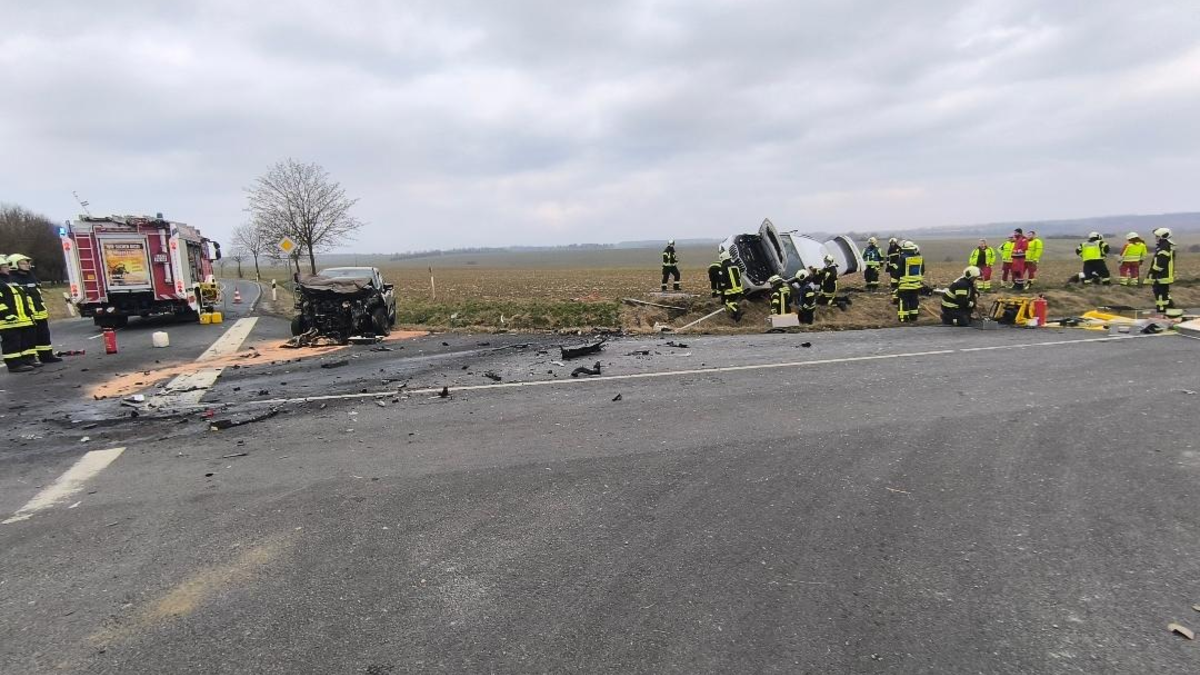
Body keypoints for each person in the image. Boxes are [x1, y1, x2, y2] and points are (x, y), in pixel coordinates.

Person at [7, 254, 62, 363]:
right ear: (13, 265)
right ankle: (30, 358)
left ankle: (46, 355)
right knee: (29, 338)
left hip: (40, 312)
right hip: (27, 314)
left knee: (44, 335)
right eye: (23, 263)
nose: (27, 265)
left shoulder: (32, 276)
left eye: (28, 263)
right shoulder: (12, 279)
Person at [0, 255, 38, 373]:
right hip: (7, 321)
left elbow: (20, 298)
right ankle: (14, 365)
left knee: (22, 342)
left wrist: (28, 312)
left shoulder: (9, 281)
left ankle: (25, 361)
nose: (8, 268)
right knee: (11, 343)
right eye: (5, 267)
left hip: (19, 319)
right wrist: (6, 314)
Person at [1147, 227, 1176, 314]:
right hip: (1163, 275)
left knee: (1160, 294)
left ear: (1163, 236)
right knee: (1163, 293)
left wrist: (1153, 273)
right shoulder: (1164, 246)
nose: (1155, 238)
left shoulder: (1164, 247)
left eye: (1157, 236)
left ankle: (1162, 310)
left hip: (1162, 275)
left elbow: (1160, 264)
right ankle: (1169, 308)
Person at [896, 240, 925, 323]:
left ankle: (903, 318)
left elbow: (898, 272)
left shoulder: (902, 258)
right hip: (916, 285)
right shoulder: (920, 258)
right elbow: (922, 270)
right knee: (914, 300)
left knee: (903, 301)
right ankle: (914, 317)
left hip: (905, 285)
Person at [718, 251, 744, 322]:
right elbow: (739, 275)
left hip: (730, 289)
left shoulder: (724, 266)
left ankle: (738, 312)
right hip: (739, 288)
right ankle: (735, 316)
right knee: (733, 301)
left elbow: (722, 279)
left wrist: (721, 289)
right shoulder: (736, 265)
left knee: (727, 303)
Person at [885, 237, 902, 302]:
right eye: (891, 243)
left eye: (893, 243)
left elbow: (901, 258)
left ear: (895, 243)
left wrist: (898, 266)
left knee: (898, 279)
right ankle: (894, 290)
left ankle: (899, 290)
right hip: (891, 267)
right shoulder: (889, 250)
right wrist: (888, 266)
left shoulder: (899, 249)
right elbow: (888, 259)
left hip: (897, 267)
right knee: (893, 279)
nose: (892, 244)